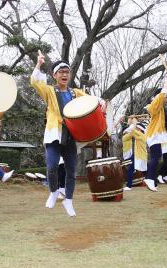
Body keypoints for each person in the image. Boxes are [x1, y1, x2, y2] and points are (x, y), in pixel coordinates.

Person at [31, 51, 105, 216]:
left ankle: (69, 200)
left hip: (71, 135)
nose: (64, 75)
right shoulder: (50, 92)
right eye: (61, 72)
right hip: (54, 133)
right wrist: (39, 64)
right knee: (51, 167)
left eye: (67, 72)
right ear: (55, 75)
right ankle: (53, 192)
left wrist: (101, 101)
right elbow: (35, 82)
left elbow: (90, 100)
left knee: (72, 170)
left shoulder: (75, 93)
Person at [144, 73, 167, 192]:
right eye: (165, 97)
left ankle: (151, 179)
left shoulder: (160, 107)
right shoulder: (154, 105)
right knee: (155, 157)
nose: (166, 99)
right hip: (154, 134)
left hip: (157, 134)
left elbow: (162, 97)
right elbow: (161, 97)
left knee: (156, 157)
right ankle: (150, 178)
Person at [122, 116, 148, 191]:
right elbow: (132, 130)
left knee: (144, 171)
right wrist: (135, 120)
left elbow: (132, 129)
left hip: (139, 155)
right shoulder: (141, 134)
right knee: (144, 170)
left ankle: (129, 186)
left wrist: (133, 119)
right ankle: (154, 183)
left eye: (137, 128)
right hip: (138, 155)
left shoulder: (140, 135)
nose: (136, 129)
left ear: (139, 129)